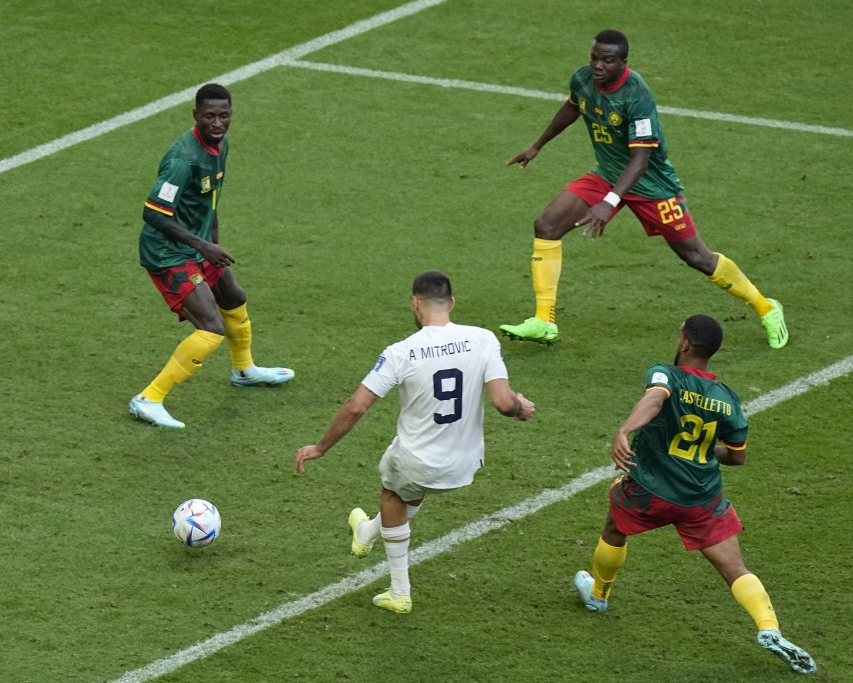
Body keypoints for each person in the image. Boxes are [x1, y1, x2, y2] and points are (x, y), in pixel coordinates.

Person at [499, 29, 788, 350]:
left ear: (623, 62)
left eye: (607, 60)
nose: (598, 66)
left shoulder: (636, 95)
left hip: (651, 185)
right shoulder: (582, 79)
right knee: (547, 225)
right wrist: (537, 145)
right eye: (594, 58)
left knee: (697, 257)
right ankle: (544, 321)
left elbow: (640, 160)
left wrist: (609, 202)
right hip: (608, 175)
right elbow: (573, 106)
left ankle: (767, 308)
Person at [573, 314, 815, 674]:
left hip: (651, 489)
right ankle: (769, 627)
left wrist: (625, 429)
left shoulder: (666, 374)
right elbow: (737, 456)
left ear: (685, 343)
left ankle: (598, 596)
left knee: (614, 528)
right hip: (702, 498)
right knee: (734, 567)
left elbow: (656, 399)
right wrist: (705, 448)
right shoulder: (727, 398)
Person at [295, 271, 535, 613]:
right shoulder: (483, 339)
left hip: (419, 461)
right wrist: (519, 407)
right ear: (452, 303)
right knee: (408, 488)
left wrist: (321, 447)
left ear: (415, 304)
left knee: (393, 492)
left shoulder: (402, 352)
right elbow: (502, 402)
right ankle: (366, 531)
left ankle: (399, 592)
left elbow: (357, 406)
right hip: (466, 463)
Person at [128, 83, 293, 429]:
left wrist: (211, 243)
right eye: (209, 116)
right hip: (167, 253)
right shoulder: (182, 159)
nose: (217, 123)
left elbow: (209, 200)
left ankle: (244, 370)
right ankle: (149, 399)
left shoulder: (220, 146)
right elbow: (153, 213)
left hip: (198, 244)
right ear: (195, 116)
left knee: (233, 297)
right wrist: (203, 246)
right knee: (211, 328)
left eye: (224, 115)